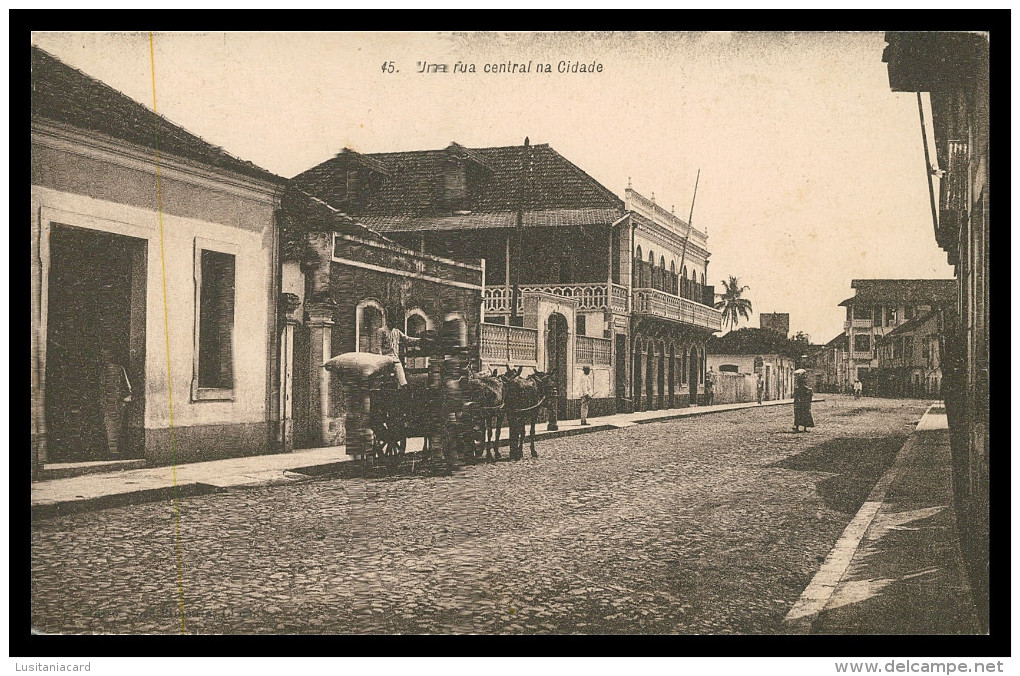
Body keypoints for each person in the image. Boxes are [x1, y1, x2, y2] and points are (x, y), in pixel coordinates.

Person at [100, 347, 132, 457]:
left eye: (107, 355)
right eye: (103, 356)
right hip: (107, 403)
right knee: (108, 427)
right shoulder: (102, 370)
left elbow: (127, 387)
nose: (105, 358)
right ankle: (111, 451)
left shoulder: (119, 369)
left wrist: (124, 400)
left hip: (116, 403)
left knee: (115, 427)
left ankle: (113, 451)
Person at [372, 316, 421, 388]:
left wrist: (420, 339)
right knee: (397, 366)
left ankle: (402, 386)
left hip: (394, 357)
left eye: (395, 321)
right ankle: (403, 385)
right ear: (388, 321)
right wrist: (380, 359)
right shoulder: (381, 331)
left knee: (397, 367)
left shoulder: (396, 331)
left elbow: (406, 339)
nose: (394, 323)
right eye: (392, 321)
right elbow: (378, 346)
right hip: (385, 357)